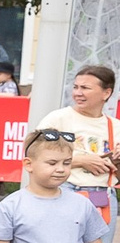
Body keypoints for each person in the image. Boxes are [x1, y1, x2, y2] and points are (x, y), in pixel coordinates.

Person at [32, 63, 119, 220]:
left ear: (106, 93)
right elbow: (33, 157)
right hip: (63, 192)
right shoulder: (57, 118)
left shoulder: (115, 126)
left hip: (102, 197)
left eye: (85, 88)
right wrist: (79, 160)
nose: (78, 93)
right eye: (76, 87)